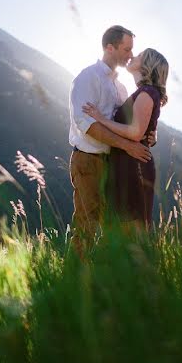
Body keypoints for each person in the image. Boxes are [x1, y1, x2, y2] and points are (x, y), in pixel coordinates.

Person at [68, 25, 152, 255]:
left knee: (114, 225)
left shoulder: (121, 87)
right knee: (87, 223)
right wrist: (126, 145)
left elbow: (126, 125)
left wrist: (146, 136)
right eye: (126, 49)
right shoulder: (88, 77)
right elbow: (86, 124)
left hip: (114, 163)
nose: (131, 56)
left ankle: (102, 280)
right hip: (88, 159)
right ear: (109, 47)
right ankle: (75, 277)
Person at [83, 48, 169, 232]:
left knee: (130, 228)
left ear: (147, 65)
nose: (133, 56)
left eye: (139, 56)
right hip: (125, 162)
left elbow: (136, 132)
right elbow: (144, 129)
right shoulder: (143, 92)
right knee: (123, 229)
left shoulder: (147, 92)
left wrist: (101, 119)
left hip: (133, 165)